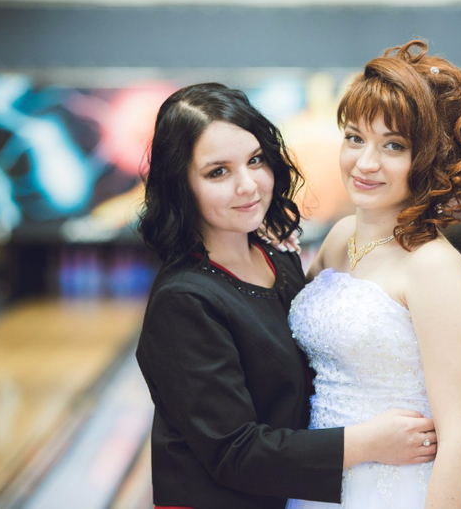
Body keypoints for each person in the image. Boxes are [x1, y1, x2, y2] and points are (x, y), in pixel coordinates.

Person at [135, 83, 438, 509]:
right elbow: (234, 452)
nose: (248, 186)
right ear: (181, 185)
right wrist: (367, 442)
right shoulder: (183, 301)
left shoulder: (277, 256)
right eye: (218, 172)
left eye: (255, 160)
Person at [286, 41, 461, 508]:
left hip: (406, 488)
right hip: (326, 478)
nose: (365, 162)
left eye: (393, 146)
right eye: (355, 138)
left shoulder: (434, 268)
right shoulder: (341, 236)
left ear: (428, 158)